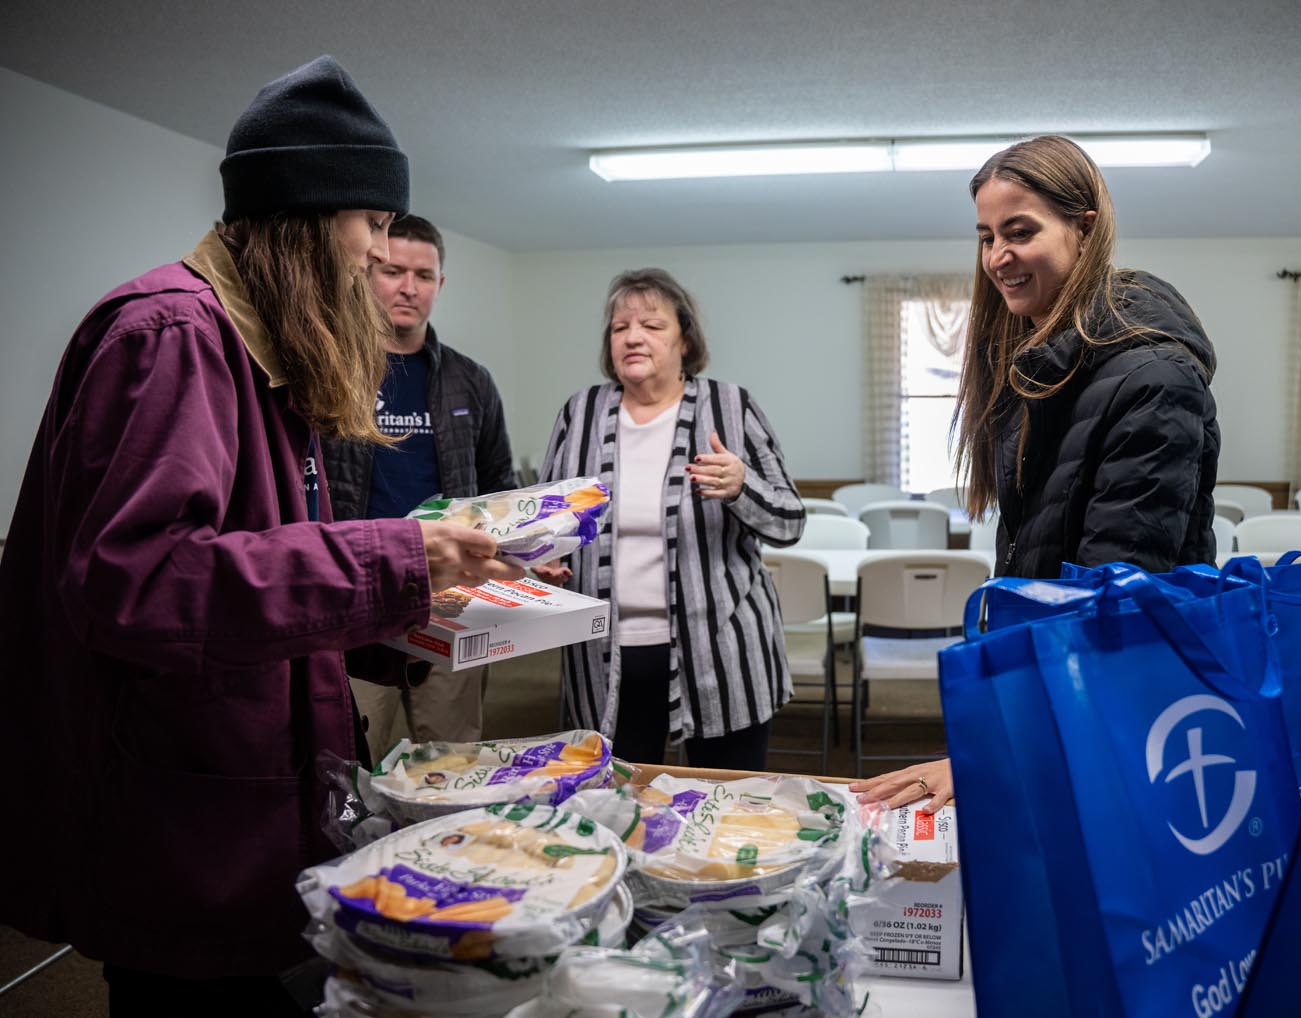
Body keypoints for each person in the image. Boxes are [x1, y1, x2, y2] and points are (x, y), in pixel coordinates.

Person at [0, 56, 519, 1016]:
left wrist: (416, 601)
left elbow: (260, 577)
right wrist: (394, 556)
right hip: (186, 814)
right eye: (369, 228)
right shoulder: (172, 336)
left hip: (253, 794)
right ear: (310, 222)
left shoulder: (258, 351)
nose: (377, 257)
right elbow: (141, 584)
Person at [852, 135, 1219, 812]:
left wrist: (995, 745)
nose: (996, 257)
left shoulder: (1151, 378)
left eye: (1019, 232)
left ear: (1084, 228)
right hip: (1055, 696)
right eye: (987, 236)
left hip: (1110, 706)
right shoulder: (1044, 360)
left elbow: (1113, 606)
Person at [535, 269, 804, 770]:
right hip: (604, 657)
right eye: (620, 328)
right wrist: (543, 559)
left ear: (686, 340)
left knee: (726, 800)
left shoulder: (731, 406)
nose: (633, 336)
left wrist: (740, 487)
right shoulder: (581, 412)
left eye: (652, 325)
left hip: (720, 655)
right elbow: (547, 522)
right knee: (617, 800)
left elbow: (789, 522)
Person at [325, 213, 517, 757]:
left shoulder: (468, 379)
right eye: (392, 270)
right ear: (367, 272)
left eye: (424, 275)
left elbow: (498, 486)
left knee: (454, 762)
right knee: (349, 765)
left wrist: (525, 545)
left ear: (439, 284)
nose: (409, 288)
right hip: (358, 606)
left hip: (450, 603)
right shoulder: (331, 369)